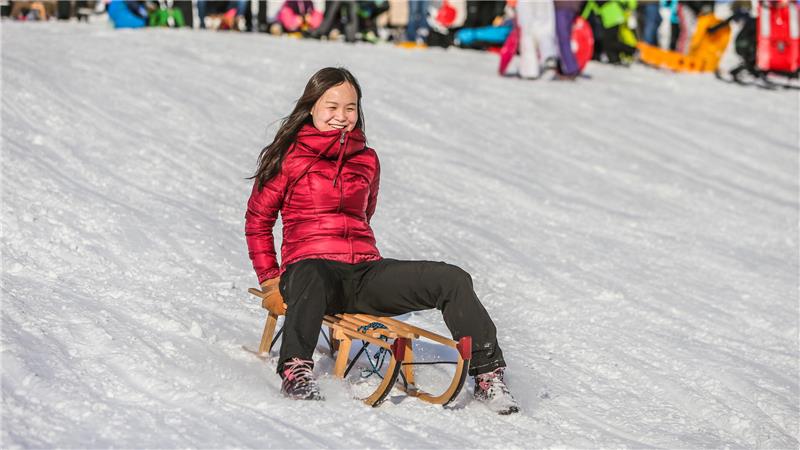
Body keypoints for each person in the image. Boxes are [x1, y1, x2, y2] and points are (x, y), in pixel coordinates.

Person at [245, 67, 519, 414]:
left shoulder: (367, 160)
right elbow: (258, 221)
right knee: (311, 271)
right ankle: (295, 369)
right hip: (310, 275)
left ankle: (487, 375)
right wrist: (270, 280)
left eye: (350, 107)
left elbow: (364, 216)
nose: (341, 117)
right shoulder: (289, 156)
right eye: (331, 106)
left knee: (451, 278)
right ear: (311, 106)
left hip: (362, 273)